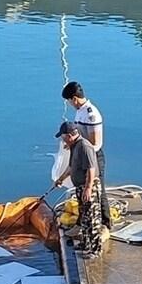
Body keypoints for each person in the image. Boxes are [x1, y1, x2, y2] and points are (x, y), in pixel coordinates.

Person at [61, 81, 110, 227]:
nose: (70, 104)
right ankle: (83, 222)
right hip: (81, 153)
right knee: (82, 193)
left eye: (69, 101)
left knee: (97, 191)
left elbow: (93, 143)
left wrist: (79, 147)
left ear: (74, 99)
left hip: (92, 155)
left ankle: (105, 222)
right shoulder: (80, 111)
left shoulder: (91, 114)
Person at [53, 121, 100, 249]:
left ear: (69, 135)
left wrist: (88, 188)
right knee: (83, 217)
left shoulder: (84, 146)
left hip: (88, 186)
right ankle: (86, 243)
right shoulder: (74, 146)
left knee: (91, 217)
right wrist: (61, 178)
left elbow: (91, 169)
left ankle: (95, 249)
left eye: (63, 138)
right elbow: (71, 166)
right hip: (80, 187)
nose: (63, 141)